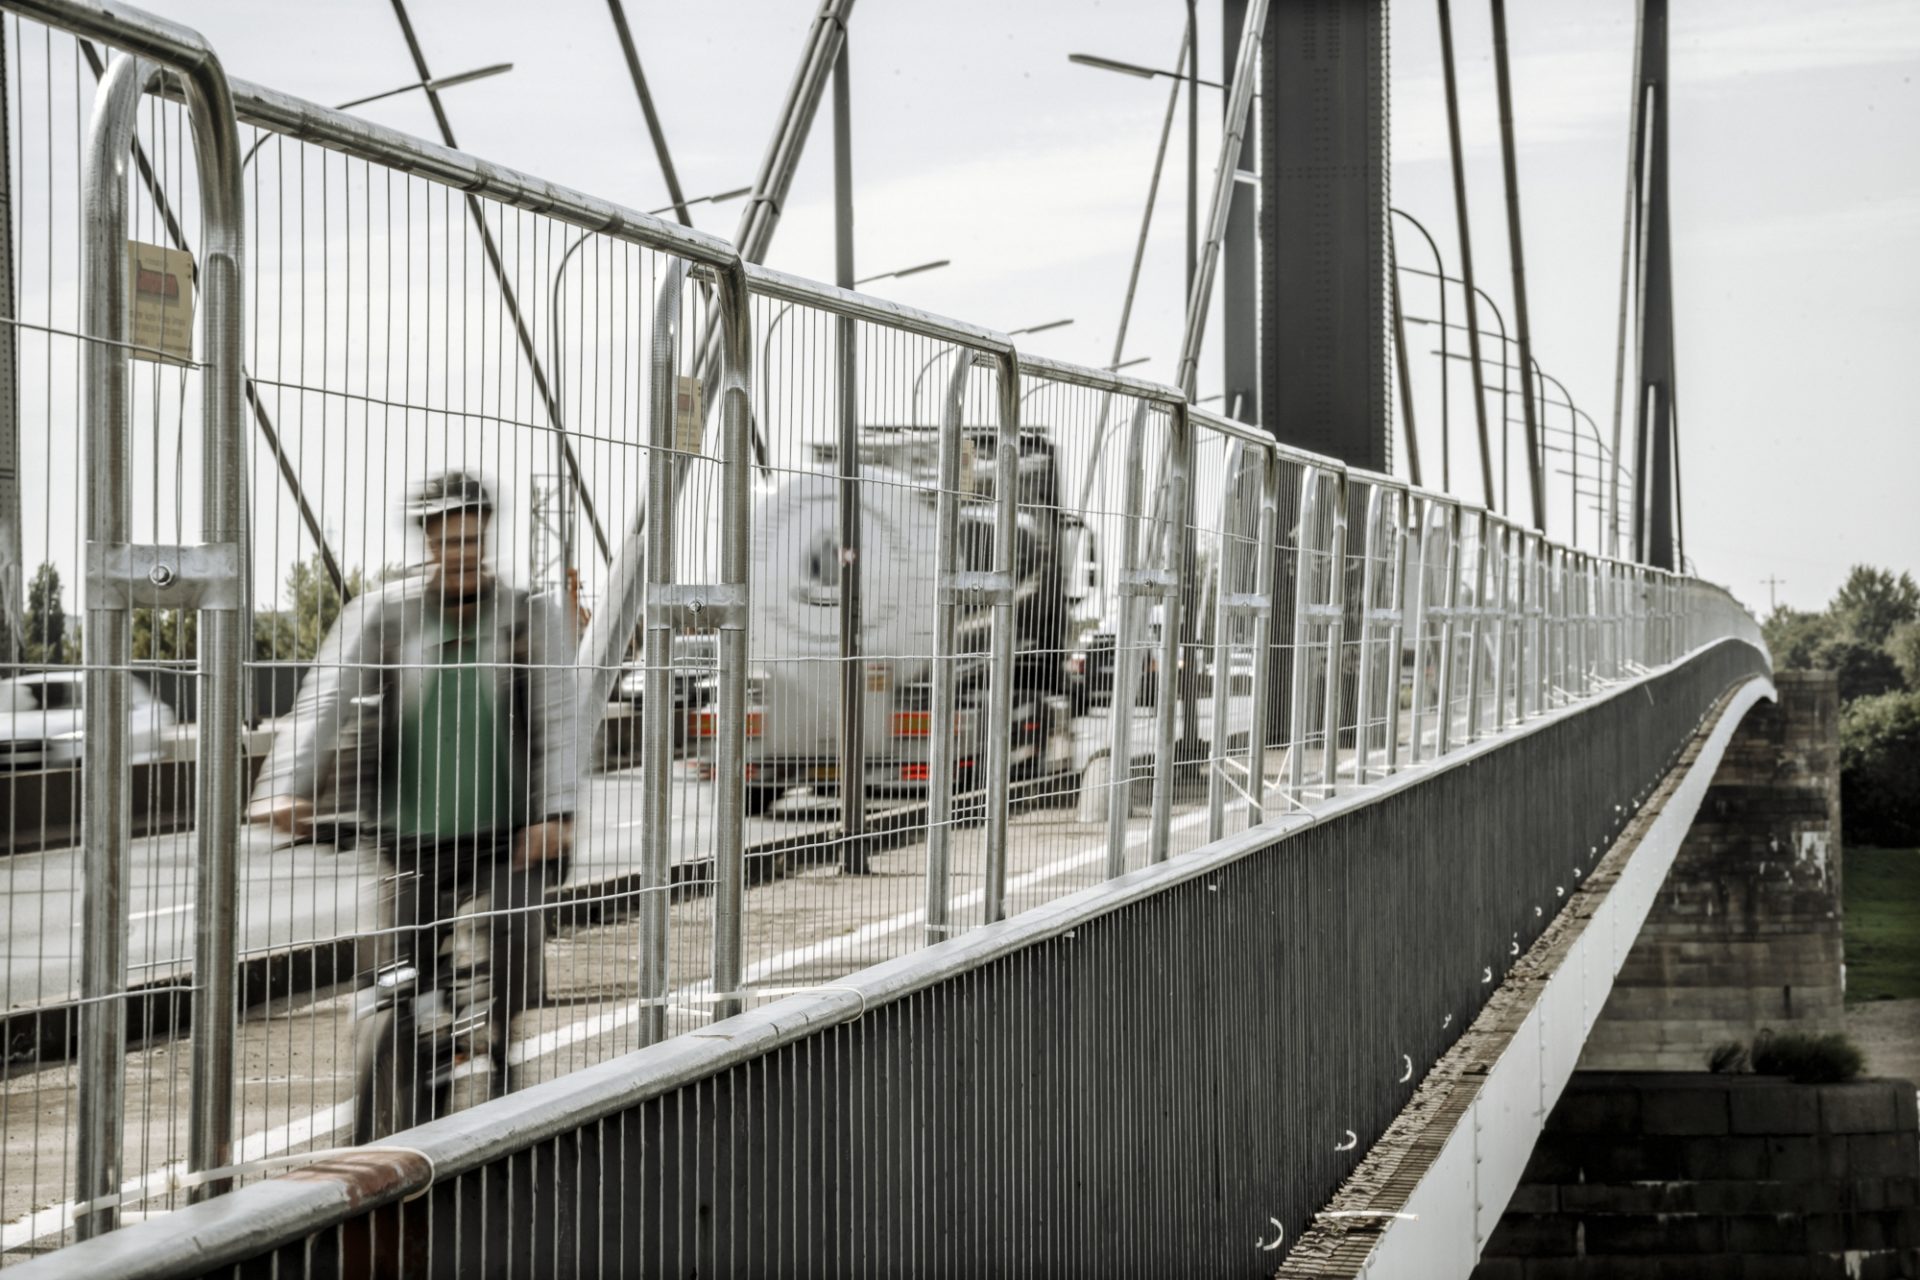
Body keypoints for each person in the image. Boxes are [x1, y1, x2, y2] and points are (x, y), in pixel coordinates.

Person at [251, 470, 579, 1141]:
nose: (458, 550)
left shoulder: (527, 617)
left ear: (485, 535)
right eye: (444, 538)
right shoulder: (385, 616)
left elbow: (560, 721)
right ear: (428, 541)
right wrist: (286, 787)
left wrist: (557, 813)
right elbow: (326, 699)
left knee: (512, 944)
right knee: (399, 977)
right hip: (408, 834)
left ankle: (494, 1043)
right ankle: (398, 1099)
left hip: (507, 835)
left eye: (470, 536)